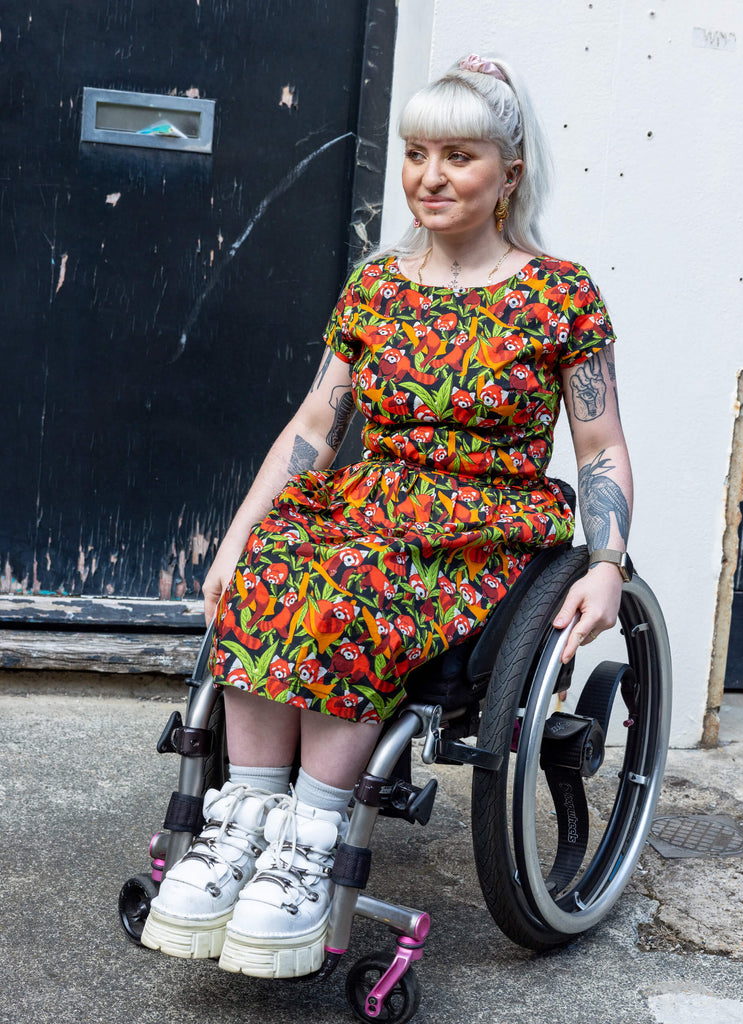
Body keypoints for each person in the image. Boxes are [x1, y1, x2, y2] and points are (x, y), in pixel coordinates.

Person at [141, 53, 632, 979]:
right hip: (372, 497)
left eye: (458, 155)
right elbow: (317, 425)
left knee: (354, 590)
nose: (430, 176)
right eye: (414, 153)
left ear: (509, 174)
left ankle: (311, 837)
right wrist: (241, 533)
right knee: (275, 568)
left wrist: (606, 561)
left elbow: (599, 447)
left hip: (482, 525)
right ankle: (245, 825)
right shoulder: (377, 285)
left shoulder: (558, 293)